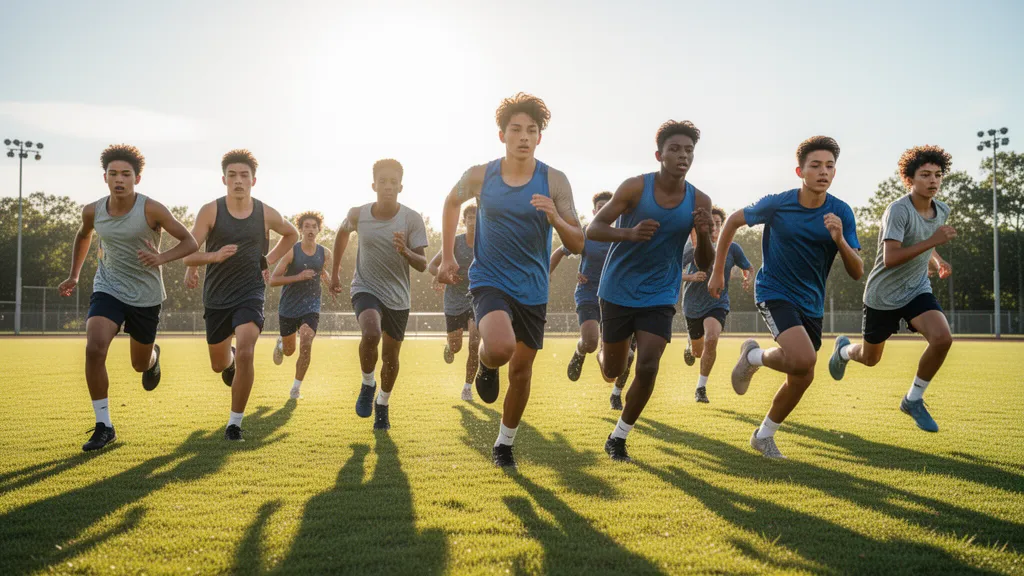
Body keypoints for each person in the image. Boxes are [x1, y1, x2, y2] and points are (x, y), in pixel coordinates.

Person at [437, 92, 584, 470]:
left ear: (539, 137)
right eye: (515, 129)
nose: (523, 136)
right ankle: (486, 363)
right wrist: (450, 255)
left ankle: (505, 443)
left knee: (521, 370)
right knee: (500, 348)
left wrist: (555, 217)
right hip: (489, 279)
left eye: (531, 130)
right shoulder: (479, 175)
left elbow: (578, 242)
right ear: (501, 134)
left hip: (533, 289)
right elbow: (451, 202)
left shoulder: (554, 180)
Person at [710, 136, 862, 459]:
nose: (824, 172)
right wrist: (718, 271)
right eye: (816, 165)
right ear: (800, 171)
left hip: (811, 303)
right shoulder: (779, 203)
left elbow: (857, 270)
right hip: (773, 290)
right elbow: (734, 221)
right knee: (805, 359)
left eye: (830, 166)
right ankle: (752, 359)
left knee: (803, 374)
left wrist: (839, 239)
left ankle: (763, 435)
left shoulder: (841, 213)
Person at [58, 144, 198, 451]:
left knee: (139, 364)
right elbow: (83, 235)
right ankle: (103, 425)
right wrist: (75, 274)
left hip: (146, 296)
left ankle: (153, 358)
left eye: (126, 174)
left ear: (137, 178)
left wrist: (161, 259)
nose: (119, 179)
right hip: (108, 287)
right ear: (104, 177)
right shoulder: (93, 211)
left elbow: (190, 242)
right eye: (113, 173)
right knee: (94, 349)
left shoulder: (152, 209)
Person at [589, 120, 714, 462]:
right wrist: (629, 234)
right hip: (616, 288)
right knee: (613, 370)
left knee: (648, 364)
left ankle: (619, 437)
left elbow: (704, 262)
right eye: (675, 149)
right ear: (659, 154)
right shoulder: (634, 188)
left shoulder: (699, 199)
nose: (682, 155)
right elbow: (594, 228)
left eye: (688, 150)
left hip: (660, 292)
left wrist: (703, 233)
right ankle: (608, 349)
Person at [828, 145, 955, 433]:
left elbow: (924, 240)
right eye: (925, 175)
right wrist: (933, 240)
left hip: (916, 289)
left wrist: (936, 258)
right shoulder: (898, 210)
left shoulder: (942, 209)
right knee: (870, 359)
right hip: (883, 295)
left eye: (938, 175)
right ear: (909, 179)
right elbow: (892, 257)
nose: (933, 180)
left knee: (942, 338)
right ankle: (845, 352)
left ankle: (913, 399)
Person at [184, 149, 298, 442]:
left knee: (247, 350)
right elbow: (187, 254)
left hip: (250, 292)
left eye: (244, 175)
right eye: (232, 175)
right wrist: (213, 257)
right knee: (219, 365)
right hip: (217, 296)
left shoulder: (265, 212)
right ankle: (229, 360)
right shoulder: (211, 211)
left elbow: (291, 234)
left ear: (253, 180)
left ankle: (234, 423)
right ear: (224, 179)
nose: (238, 180)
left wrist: (267, 260)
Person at [330, 159, 428, 431]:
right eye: (382, 181)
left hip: (398, 296)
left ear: (401, 186)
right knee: (371, 333)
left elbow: (423, 264)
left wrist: (405, 251)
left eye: (393, 182)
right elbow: (341, 233)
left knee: (391, 357)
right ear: (373, 185)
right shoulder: (358, 214)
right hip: (365, 286)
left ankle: (382, 403)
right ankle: (367, 383)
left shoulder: (412, 218)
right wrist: (336, 271)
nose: (388, 186)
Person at [680, 206, 754, 403]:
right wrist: (691, 276)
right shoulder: (691, 248)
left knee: (712, 338)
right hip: (693, 305)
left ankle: (701, 388)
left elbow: (748, 267)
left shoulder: (733, 248)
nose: (714, 229)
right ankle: (690, 345)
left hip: (717, 302)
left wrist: (748, 277)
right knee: (697, 352)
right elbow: (672, 273)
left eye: (718, 224)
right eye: (710, 225)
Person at [270, 211, 334, 400]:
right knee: (290, 351)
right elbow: (273, 280)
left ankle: (296, 389)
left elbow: (322, 272)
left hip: (311, 306)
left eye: (314, 227)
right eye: (306, 226)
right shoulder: (291, 251)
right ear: (301, 229)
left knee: (306, 341)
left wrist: (331, 285)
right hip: (289, 307)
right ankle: (282, 344)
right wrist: (298, 277)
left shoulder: (325, 253)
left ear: (319, 230)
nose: (310, 230)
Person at [427, 204, 479, 401]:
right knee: (457, 347)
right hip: (454, 299)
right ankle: (449, 346)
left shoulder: (486, 243)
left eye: (477, 217)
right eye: (470, 218)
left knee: (475, 343)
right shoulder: (455, 243)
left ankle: (467, 387)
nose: (473, 221)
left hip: (477, 298)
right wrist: (444, 276)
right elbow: (432, 266)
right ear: (464, 222)